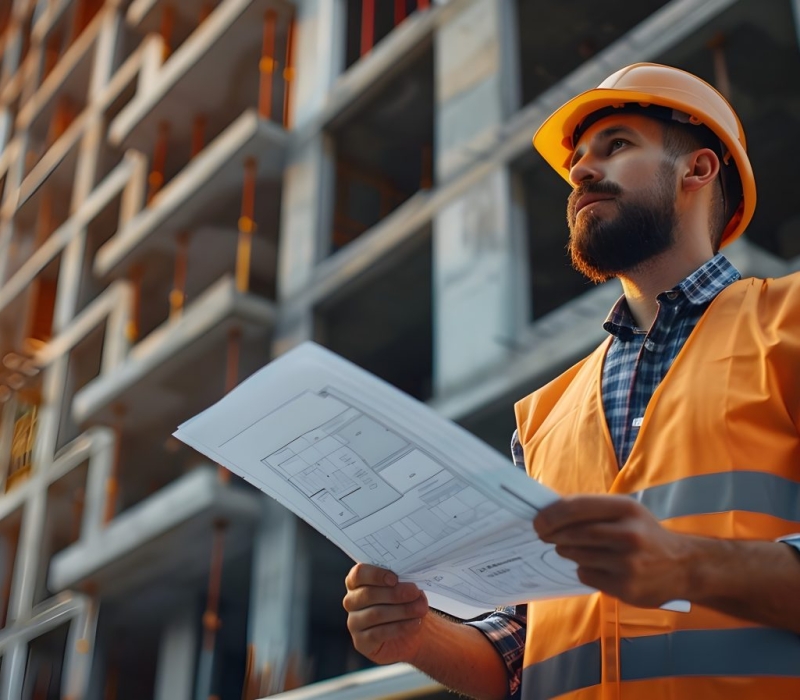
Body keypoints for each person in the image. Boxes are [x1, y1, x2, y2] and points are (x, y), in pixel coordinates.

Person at [342, 63, 800, 699]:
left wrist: (689, 565)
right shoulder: (543, 415)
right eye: (578, 159)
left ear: (697, 170)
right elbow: (519, 646)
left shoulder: (790, 322)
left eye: (616, 145)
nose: (581, 171)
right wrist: (417, 638)